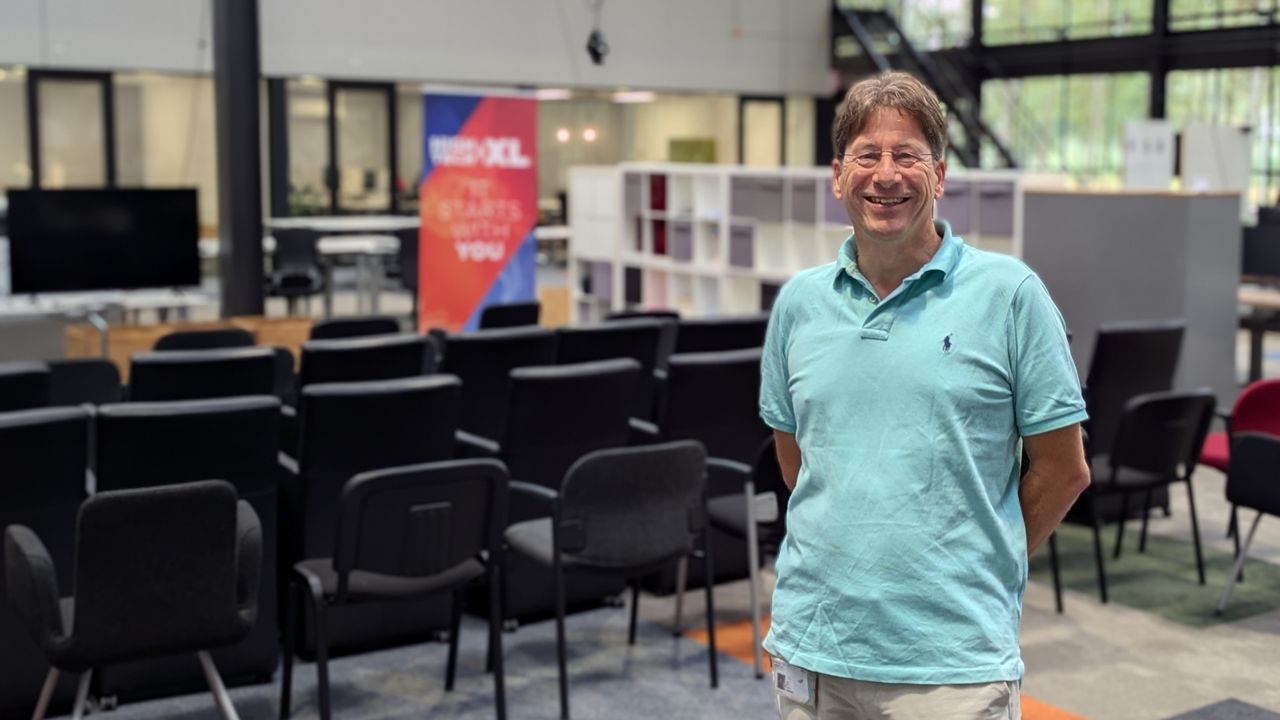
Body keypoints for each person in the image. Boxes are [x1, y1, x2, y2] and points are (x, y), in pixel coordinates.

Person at [759, 71, 1091, 720]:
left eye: (908, 154)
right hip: (813, 645)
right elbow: (801, 462)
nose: (887, 174)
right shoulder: (799, 304)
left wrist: (975, 558)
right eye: (867, 154)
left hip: (950, 664)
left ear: (939, 176)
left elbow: (1063, 468)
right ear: (837, 174)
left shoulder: (1010, 295)